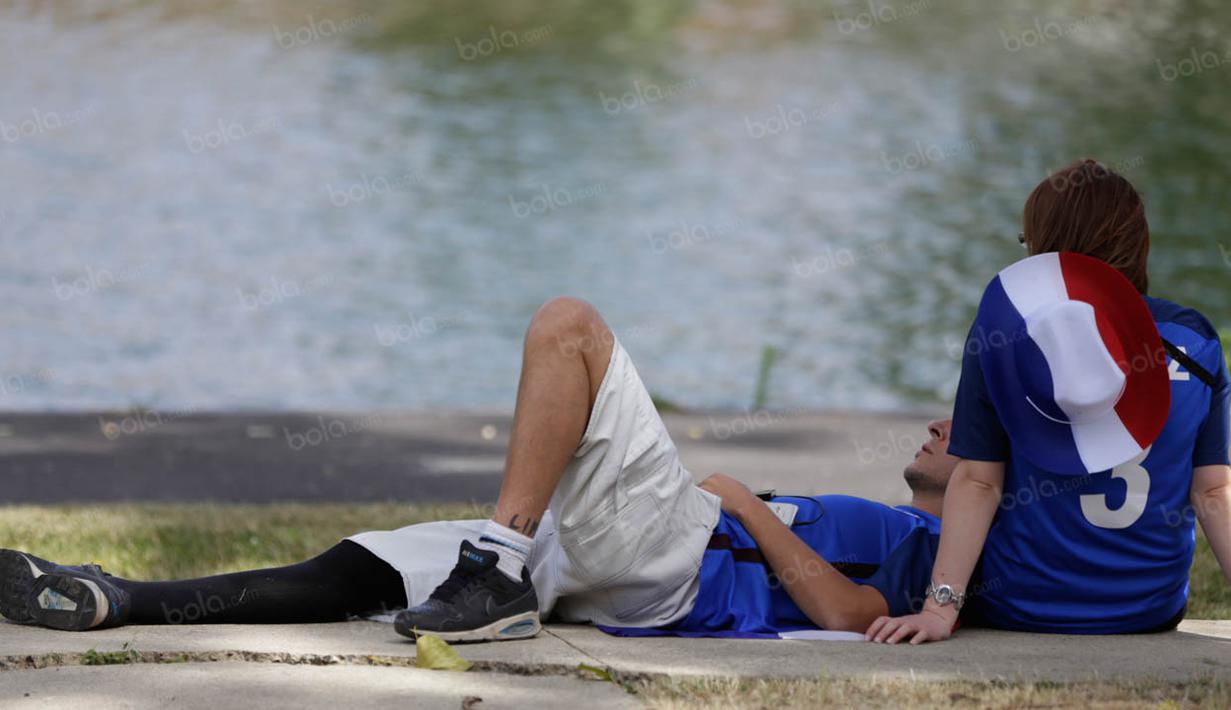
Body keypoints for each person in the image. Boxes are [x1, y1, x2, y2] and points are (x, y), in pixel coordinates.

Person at [1, 298, 958, 639]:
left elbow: (848, 615)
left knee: (568, 327)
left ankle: (497, 564)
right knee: (359, 569)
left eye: (959, 435)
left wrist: (744, 500)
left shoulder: (924, 544)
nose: (935, 425)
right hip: (608, 564)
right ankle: (120, 598)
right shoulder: (903, 522)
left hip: (677, 566)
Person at [866, 159, 1231, 645]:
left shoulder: (1005, 334)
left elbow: (979, 481)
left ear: (1046, 250)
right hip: (1147, 608)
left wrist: (938, 610)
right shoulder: (1195, 342)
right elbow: (1213, 493)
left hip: (1021, 603)